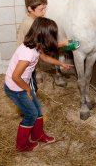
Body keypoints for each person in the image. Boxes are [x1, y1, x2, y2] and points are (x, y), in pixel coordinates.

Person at [4, 17, 74, 152]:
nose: (54, 39)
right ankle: (22, 145)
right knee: (31, 114)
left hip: (22, 84)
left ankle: (38, 135)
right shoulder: (28, 53)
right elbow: (15, 76)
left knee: (37, 109)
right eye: (52, 35)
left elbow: (45, 57)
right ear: (45, 37)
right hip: (16, 88)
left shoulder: (35, 45)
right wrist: (28, 90)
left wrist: (61, 64)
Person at [16, 0, 79, 89]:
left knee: (33, 89)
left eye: (45, 9)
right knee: (29, 89)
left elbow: (42, 53)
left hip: (28, 60)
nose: (44, 12)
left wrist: (61, 63)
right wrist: (62, 44)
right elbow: (43, 47)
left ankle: (32, 103)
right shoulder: (31, 24)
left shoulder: (32, 20)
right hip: (25, 65)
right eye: (41, 9)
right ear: (30, 9)